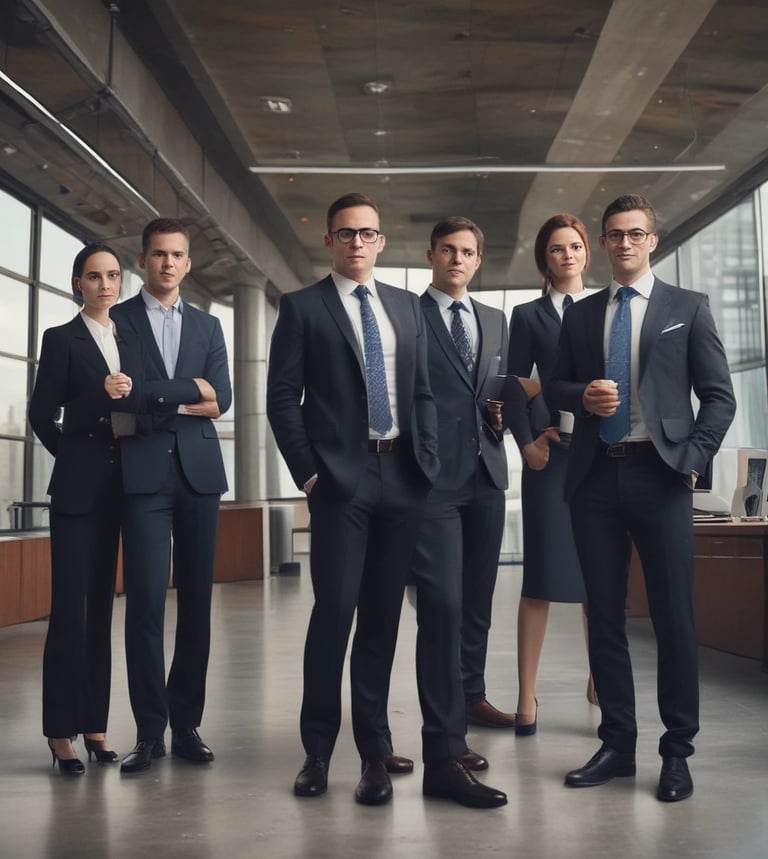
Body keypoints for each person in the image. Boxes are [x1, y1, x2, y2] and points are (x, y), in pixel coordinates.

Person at [548, 194, 736, 802]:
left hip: (660, 478)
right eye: (614, 235)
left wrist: (691, 457)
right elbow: (555, 383)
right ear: (602, 244)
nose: (624, 243)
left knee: (672, 616)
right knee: (603, 616)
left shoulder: (688, 307)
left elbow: (718, 396)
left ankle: (677, 750)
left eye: (635, 234)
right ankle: (617, 744)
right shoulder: (579, 316)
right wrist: (583, 397)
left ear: (652, 240)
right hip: (595, 477)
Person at [266, 192, 440, 806]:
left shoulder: (405, 307)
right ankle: (317, 752)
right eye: (346, 234)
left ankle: (373, 752)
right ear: (330, 241)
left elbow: (421, 391)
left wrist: (428, 461)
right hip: (341, 481)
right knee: (335, 612)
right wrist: (311, 476)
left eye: (368, 233)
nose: (358, 243)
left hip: (403, 477)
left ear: (382, 240)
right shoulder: (303, 307)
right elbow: (283, 398)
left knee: (382, 620)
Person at [388, 216, 535, 807]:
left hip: (486, 475)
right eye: (447, 249)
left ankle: (468, 699)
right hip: (432, 482)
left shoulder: (495, 320)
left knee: (477, 600)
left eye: (467, 251)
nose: (456, 259)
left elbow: (494, 389)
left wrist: (501, 417)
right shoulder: (407, 314)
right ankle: (444, 748)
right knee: (442, 609)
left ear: (480, 261)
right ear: (431, 255)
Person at [110, 218, 232, 773]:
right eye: (158, 254)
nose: (168, 263)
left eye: (177, 255)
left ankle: (187, 724)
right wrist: (186, 393)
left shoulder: (209, 328)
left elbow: (222, 399)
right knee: (144, 604)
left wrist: (156, 396)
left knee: (198, 605)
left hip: (200, 476)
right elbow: (124, 397)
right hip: (142, 478)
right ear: (144, 260)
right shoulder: (118, 320)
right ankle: (149, 731)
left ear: (188, 264)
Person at [29, 243, 143, 774]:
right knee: (69, 611)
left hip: (123, 489)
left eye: (113, 275)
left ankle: (95, 725)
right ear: (78, 283)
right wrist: (74, 457)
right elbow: (40, 414)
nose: (105, 285)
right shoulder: (61, 339)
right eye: (94, 276)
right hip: (77, 492)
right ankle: (59, 732)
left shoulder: (131, 337)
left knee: (101, 610)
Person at [505, 214, 595, 735]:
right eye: (557, 248)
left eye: (575, 246)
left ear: (587, 252)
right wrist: (527, 443)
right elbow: (515, 387)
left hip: (599, 457)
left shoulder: (610, 308)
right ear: (546, 259)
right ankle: (526, 696)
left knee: (596, 579)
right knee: (538, 579)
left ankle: (599, 679)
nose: (567, 255)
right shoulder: (529, 315)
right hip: (549, 459)